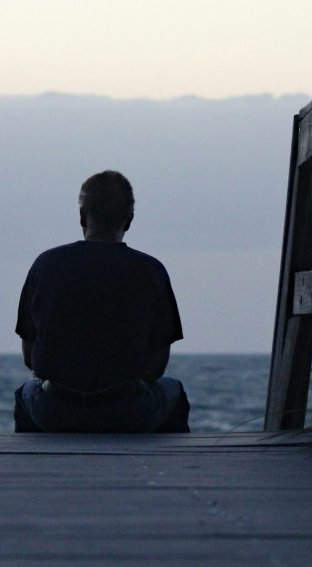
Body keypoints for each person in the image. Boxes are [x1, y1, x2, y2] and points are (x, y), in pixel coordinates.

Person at [13, 170, 190, 433]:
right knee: (173, 390)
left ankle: (34, 466)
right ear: (128, 220)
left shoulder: (45, 265)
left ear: (82, 215)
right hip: (128, 412)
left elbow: (31, 358)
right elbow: (157, 366)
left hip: (55, 411)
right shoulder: (151, 271)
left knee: (25, 392)